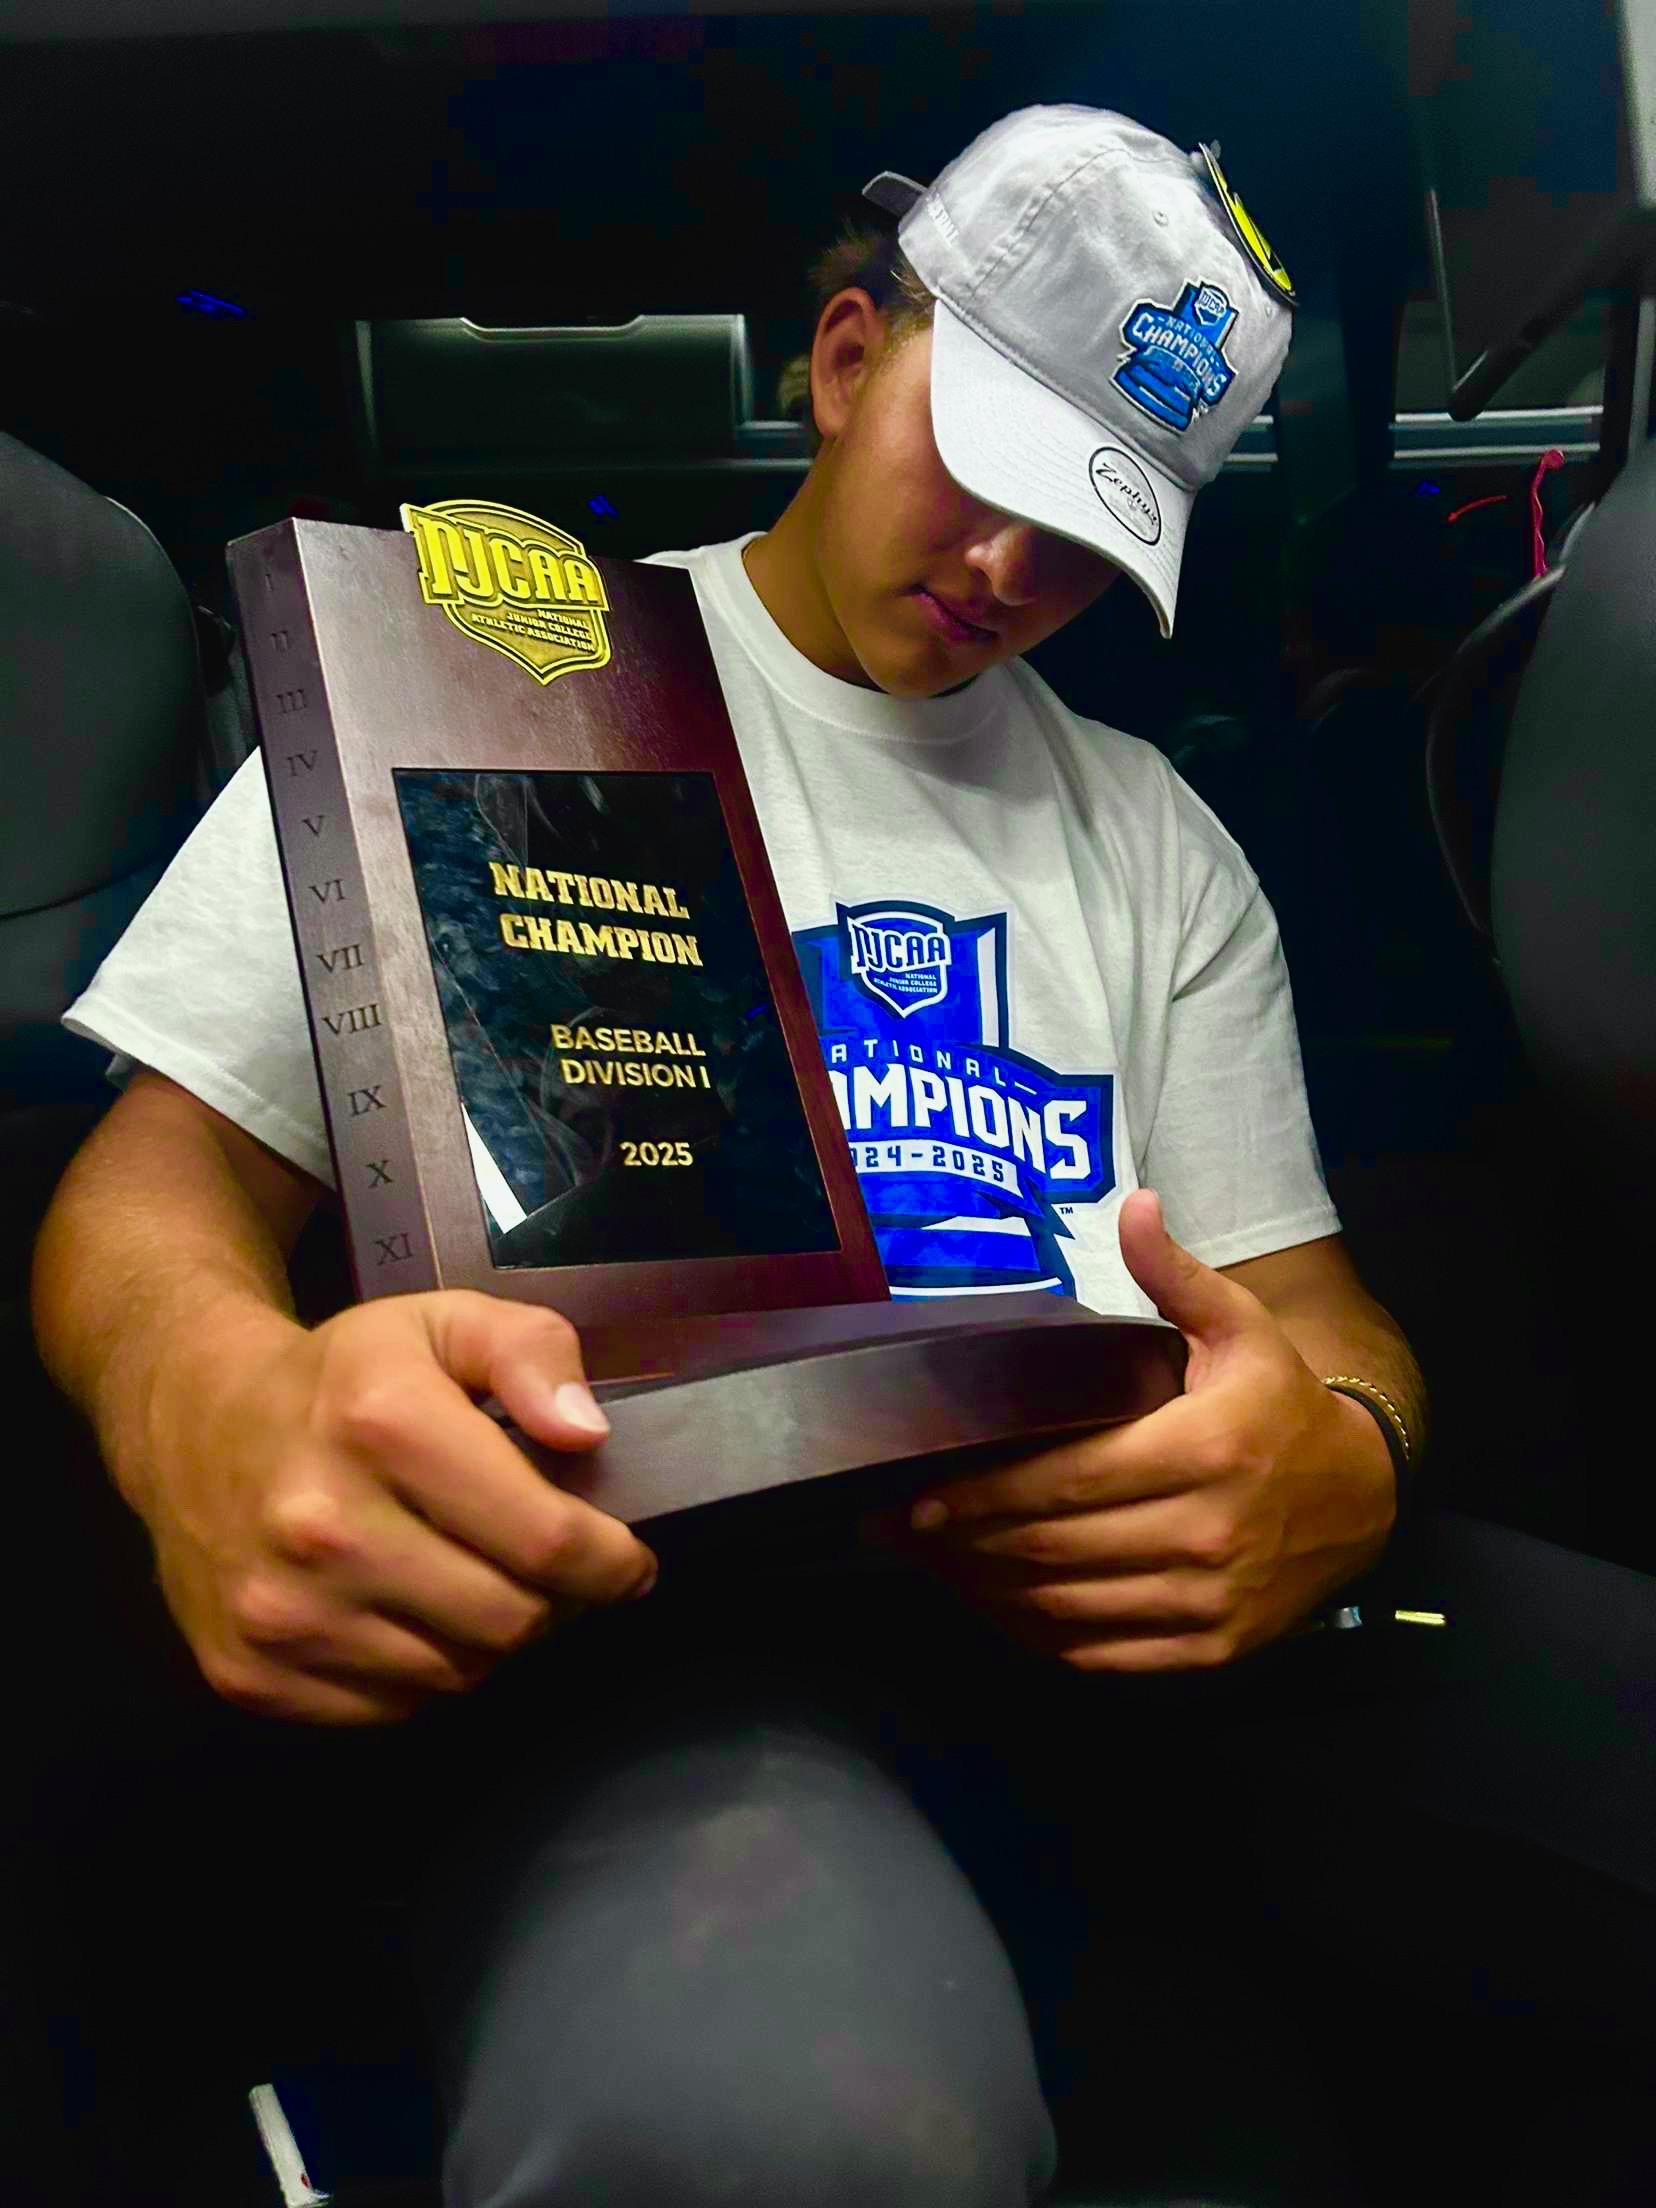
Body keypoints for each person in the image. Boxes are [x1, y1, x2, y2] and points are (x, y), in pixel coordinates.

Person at [31, 105, 1655, 2208]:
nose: (1010, 574)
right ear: (846, 356)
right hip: (675, 1631)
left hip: (1126, 1643)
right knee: (783, 2124)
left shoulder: (1153, 832)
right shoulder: (492, 687)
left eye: (1088, 533)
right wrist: (208, 1402)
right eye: (985, 475)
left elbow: (1313, 1295)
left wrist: (1341, 1445)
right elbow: (150, 1189)